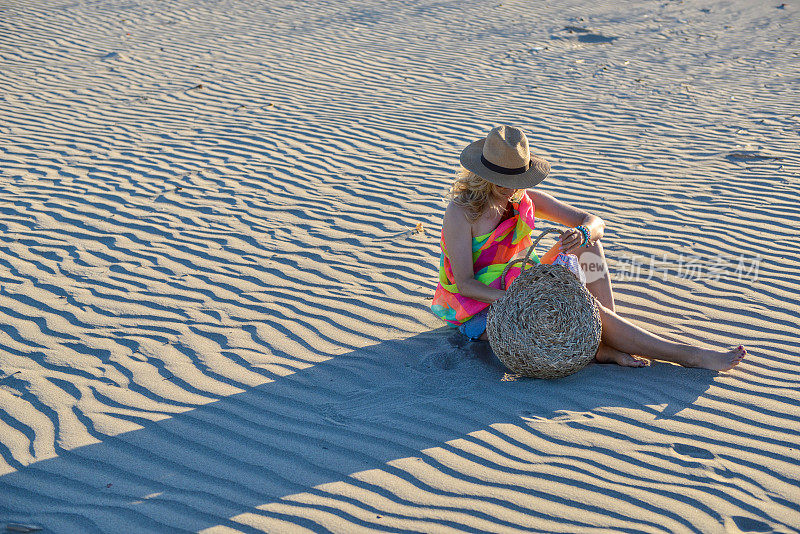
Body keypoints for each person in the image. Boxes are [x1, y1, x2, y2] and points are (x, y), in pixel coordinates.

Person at [431, 125, 747, 371]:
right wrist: (520, 298)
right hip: (483, 307)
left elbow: (593, 221)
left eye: (518, 179)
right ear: (484, 177)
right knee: (579, 306)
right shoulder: (461, 213)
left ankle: (602, 336)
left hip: (519, 284)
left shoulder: (521, 199)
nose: (513, 188)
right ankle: (687, 355)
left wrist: (583, 233)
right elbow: (465, 284)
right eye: (503, 181)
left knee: (589, 246)